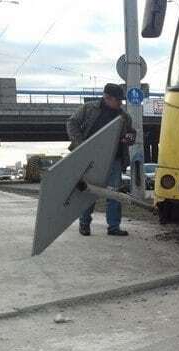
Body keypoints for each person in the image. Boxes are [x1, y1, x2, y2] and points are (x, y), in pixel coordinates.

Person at [66, 83, 135, 237]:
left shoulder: (124, 116)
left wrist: (130, 138)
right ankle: (84, 225)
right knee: (89, 191)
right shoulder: (89, 108)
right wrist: (81, 145)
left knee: (114, 193)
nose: (121, 103)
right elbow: (71, 123)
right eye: (118, 100)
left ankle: (114, 227)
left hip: (114, 160)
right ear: (107, 97)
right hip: (91, 159)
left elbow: (131, 134)